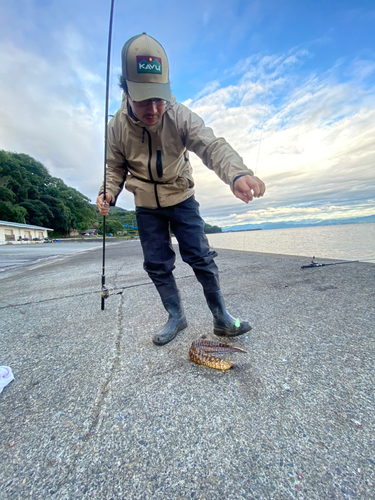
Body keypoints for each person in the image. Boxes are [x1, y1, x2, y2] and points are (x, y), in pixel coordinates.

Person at [96, 33, 266, 346]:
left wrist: (237, 174)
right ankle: (176, 316)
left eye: (159, 97)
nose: (154, 107)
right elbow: (114, 167)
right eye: (144, 99)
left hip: (181, 195)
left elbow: (211, 145)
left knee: (200, 256)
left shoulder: (179, 114)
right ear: (125, 91)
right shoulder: (116, 126)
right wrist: (108, 192)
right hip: (146, 203)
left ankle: (221, 317)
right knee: (156, 263)